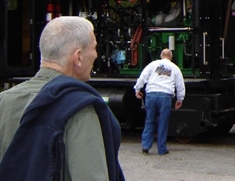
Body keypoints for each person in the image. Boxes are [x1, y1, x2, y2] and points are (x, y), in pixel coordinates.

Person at [0, 16, 125, 181]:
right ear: (78, 57)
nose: (96, 55)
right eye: (94, 48)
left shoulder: (3, 101)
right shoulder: (80, 109)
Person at [134, 48, 185, 155]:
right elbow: (180, 85)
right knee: (163, 122)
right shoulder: (175, 68)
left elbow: (143, 77)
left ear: (161, 56)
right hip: (165, 96)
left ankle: (146, 146)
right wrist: (180, 99)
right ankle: (162, 149)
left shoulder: (153, 64)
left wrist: (137, 89)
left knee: (149, 120)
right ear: (170, 57)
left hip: (151, 95)